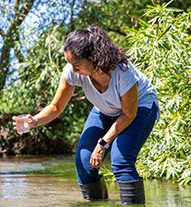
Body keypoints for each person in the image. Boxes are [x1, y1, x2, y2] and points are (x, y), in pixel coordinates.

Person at [12, 25, 159, 205]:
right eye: (70, 64)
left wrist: (103, 143)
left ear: (93, 57)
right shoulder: (72, 71)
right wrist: (34, 121)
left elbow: (128, 114)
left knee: (121, 160)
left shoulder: (122, 71)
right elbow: (57, 107)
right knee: (84, 162)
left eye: (77, 65)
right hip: (105, 109)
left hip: (140, 108)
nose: (73, 70)